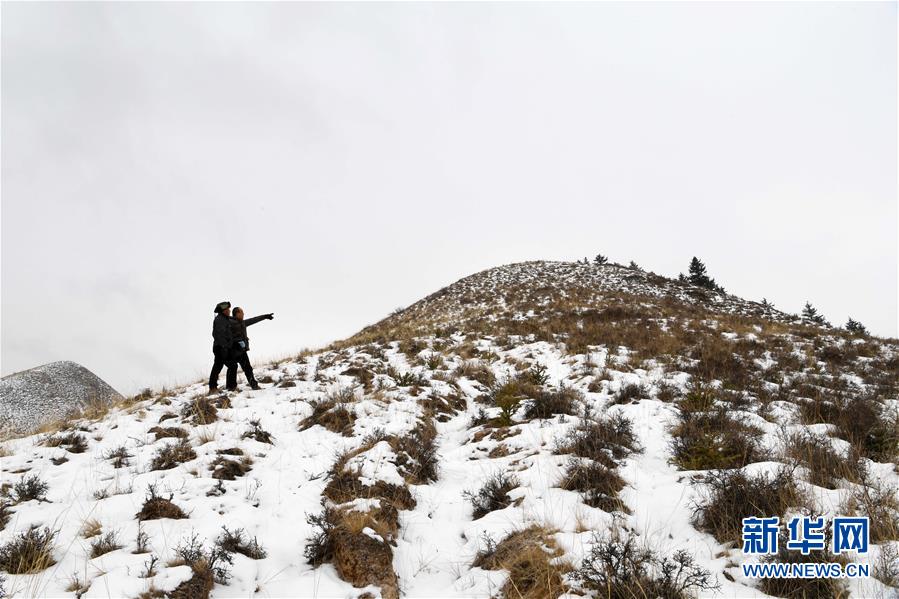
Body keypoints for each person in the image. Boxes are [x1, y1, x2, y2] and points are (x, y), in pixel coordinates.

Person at [227, 307, 274, 390]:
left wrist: (265, 316)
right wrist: (234, 343)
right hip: (233, 351)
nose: (243, 314)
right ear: (237, 313)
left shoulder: (243, 323)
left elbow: (254, 320)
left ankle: (254, 385)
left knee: (248, 368)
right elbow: (225, 336)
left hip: (242, 351)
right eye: (242, 312)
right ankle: (230, 387)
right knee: (232, 368)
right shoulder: (229, 322)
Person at [209, 301, 237, 393]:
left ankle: (229, 387)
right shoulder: (220, 319)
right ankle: (214, 388)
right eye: (228, 309)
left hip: (223, 347)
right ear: (223, 311)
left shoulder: (225, 318)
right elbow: (218, 335)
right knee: (221, 366)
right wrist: (225, 347)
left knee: (224, 366)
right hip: (221, 348)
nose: (229, 310)